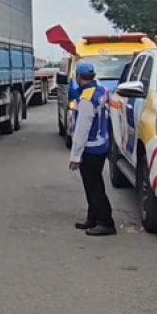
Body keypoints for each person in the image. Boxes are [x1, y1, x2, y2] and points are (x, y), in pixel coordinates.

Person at [68, 61, 116, 236]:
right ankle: (93, 218)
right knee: (93, 185)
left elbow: (82, 130)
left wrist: (75, 156)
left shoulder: (86, 99)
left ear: (78, 77)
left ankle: (106, 222)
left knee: (94, 187)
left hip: (90, 148)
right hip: (101, 144)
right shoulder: (101, 91)